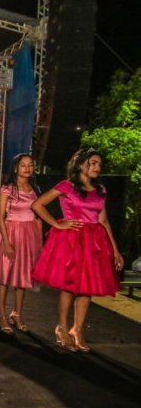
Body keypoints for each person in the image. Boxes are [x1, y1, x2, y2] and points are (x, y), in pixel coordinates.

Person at [31, 148, 123, 352]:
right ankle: (62, 327)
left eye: (99, 164)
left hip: (94, 242)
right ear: (81, 165)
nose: (98, 167)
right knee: (70, 286)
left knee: (87, 288)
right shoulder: (67, 185)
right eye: (93, 163)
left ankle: (77, 330)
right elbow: (37, 205)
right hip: (72, 240)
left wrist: (115, 251)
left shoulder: (100, 189)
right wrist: (57, 224)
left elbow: (103, 220)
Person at [0, 154, 43, 334]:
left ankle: (17, 313)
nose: (27, 168)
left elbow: (38, 216)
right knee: (4, 276)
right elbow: (0, 216)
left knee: (23, 276)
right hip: (10, 232)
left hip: (29, 235)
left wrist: (39, 242)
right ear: (15, 168)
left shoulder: (35, 189)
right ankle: (2, 315)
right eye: (23, 165)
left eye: (30, 165)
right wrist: (6, 243)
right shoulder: (7, 189)